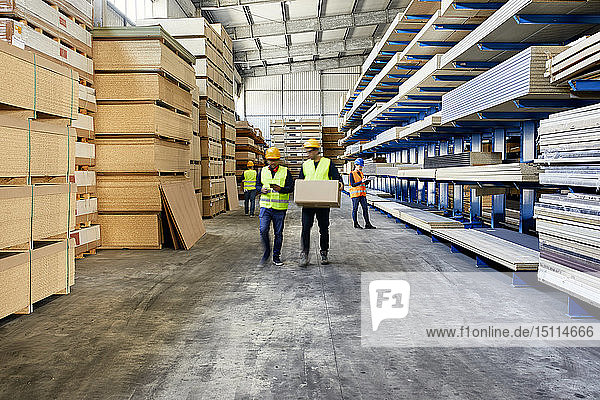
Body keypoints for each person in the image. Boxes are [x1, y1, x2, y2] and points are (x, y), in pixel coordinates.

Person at [298, 138, 344, 267]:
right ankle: (304, 254)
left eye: (310, 151)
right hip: (308, 203)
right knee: (305, 228)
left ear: (317, 150)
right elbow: (300, 181)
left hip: (323, 203)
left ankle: (324, 252)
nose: (308, 154)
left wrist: (340, 184)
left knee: (323, 228)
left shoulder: (328, 163)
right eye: (306, 152)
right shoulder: (305, 165)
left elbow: (336, 178)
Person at [256, 147, 294, 267]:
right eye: (270, 160)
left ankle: (276, 256)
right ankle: (266, 252)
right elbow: (257, 185)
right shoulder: (262, 171)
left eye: (274, 160)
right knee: (263, 230)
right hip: (265, 207)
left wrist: (281, 189)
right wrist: (260, 189)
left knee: (278, 233)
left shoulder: (285, 171)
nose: (272, 162)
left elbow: (291, 188)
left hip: (279, 208)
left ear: (278, 160)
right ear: (267, 160)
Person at [350, 158, 376, 229]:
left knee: (365, 209)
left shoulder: (361, 173)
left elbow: (362, 183)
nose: (361, 167)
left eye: (361, 166)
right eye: (359, 166)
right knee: (355, 209)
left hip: (362, 194)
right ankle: (355, 224)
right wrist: (361, 181)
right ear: (356, 165)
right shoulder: (352, 174)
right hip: (355, 195)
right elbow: (353, 184)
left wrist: (366, 182)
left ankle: (368, 224)